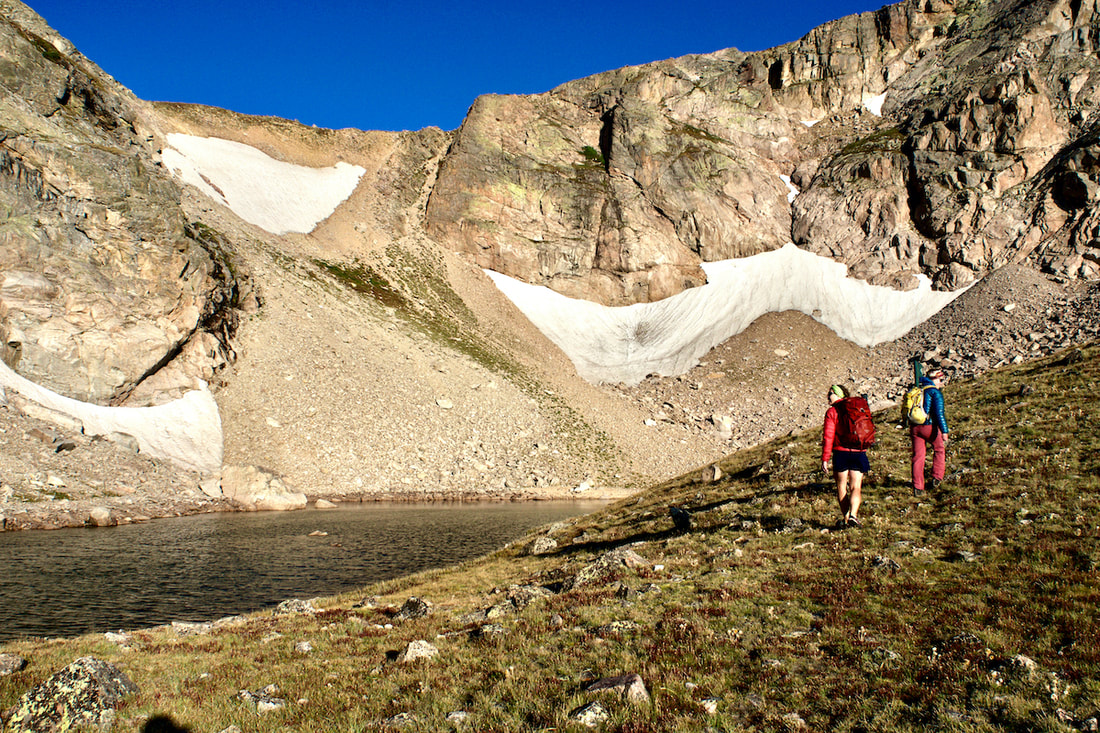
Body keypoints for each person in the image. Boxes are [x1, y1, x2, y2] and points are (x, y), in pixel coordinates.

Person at [821, 384, 870, 528]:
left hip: (840, 452)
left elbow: (828, 436)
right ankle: (854, 515)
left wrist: (825, 458)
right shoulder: (856, 408)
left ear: (838, 394)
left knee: (841, 486)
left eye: (830, 393)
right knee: (856, 486)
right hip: (858, 451)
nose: (828, 396)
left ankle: (846, 518)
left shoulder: (832, 411)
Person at [910, 369, 949, 496]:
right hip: (929, 426)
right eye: (940, 380)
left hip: (915, 427)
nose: (941, 383)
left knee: (918, 456)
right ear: (934, 380)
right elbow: (939, 413)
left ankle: (918, 487)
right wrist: (944, 431)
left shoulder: (917, 390)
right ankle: (937, 477)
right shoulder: (934, 392)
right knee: (939, 449)